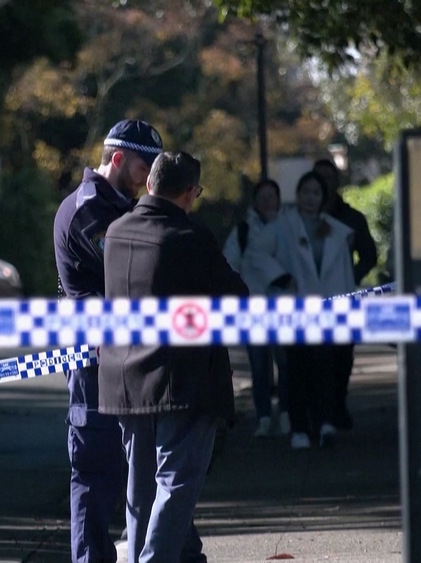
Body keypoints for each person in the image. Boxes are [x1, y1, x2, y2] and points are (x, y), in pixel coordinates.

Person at [99, 151, 249, 562]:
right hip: (181, 383)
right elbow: (236, 298)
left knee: (140, 486)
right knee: (176, 484)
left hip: (125, 381)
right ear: (190, 192)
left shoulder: (115, 233)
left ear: (150, 184)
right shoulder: (189, 237)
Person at [53, 119, 164, 563]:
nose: (149, 178)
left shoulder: (115, 206)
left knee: (129, 467)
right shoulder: (89, 210)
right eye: (143, 167)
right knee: (95, 469)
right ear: (117, 159)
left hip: (119, 354)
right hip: (92, 359)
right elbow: (133, 275)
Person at [248, 171, 355, 449]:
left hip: (327, 311)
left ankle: (324, 424)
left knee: (326, 370)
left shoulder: (334, 230)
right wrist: (281, 277)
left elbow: (343, 273)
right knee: (296, 370)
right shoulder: (283, 226)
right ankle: (299, 428)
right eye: (305, 192)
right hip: (294, 309)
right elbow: (256, 253)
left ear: (323, 197)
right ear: (298, 195)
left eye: (316, 193)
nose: (310, 197)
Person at [312, 158, 378, 431]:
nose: (325, 183)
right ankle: (319, 414)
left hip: (342, 298)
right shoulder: (301, 217)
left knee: (341, 357)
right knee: (314, 360)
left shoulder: (352, 218)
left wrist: (351, 276)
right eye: (320, 178)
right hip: (310, 298)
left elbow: (370, 255)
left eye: (330, 177)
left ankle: (337, 406)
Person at [221, 179, 290, 438]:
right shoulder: (243, 231)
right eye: (263, 197)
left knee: (286, 365)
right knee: (260, 367)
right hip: (255, 310)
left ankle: (286, 413)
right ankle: (263, 416)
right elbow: (230, 264)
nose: (268, 201)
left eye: (272, 196)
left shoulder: (291, 228)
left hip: (285, 308)